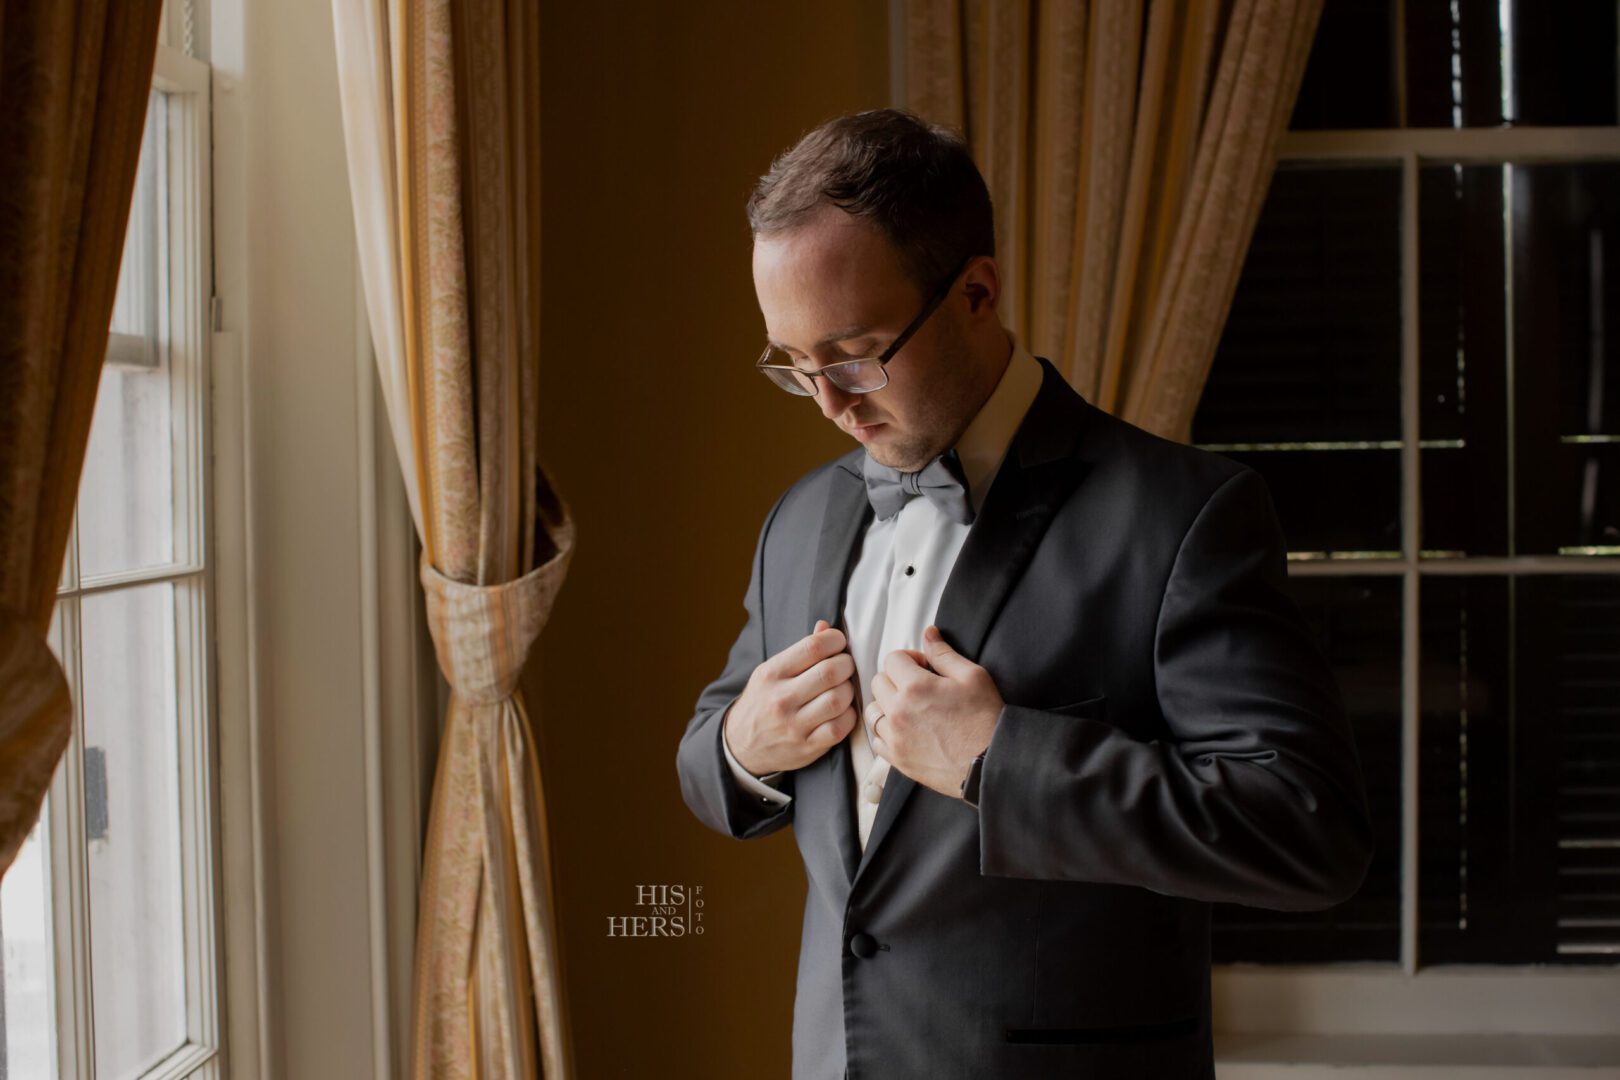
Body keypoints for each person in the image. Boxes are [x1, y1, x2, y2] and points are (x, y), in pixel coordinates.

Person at [675, 108, 1373, 1080]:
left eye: (855, 352)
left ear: (977, 291)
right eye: (794, 366)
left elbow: (1308, 830)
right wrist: (744, 750)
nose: (830, 402)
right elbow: (709, 757)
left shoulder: (1184, 517)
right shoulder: (799, 519)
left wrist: (1005, 762)